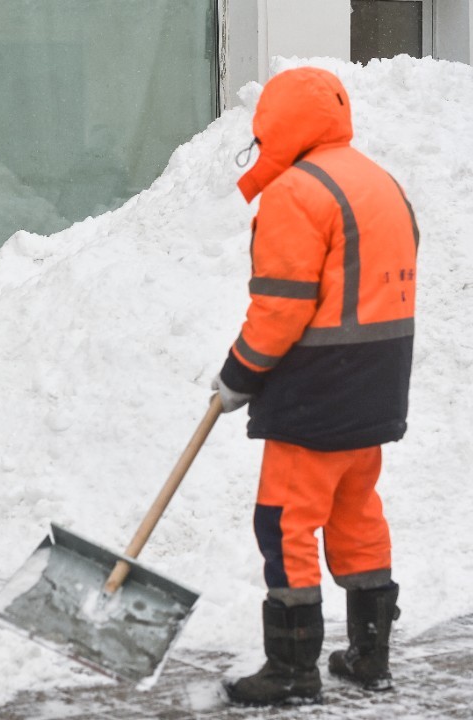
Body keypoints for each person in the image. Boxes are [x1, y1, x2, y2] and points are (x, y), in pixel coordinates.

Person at [211, 67, 418, 706]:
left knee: (285, 523)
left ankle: (293, 670)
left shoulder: (296, 192)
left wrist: (239, 374)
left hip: (316, 395)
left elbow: (281, 306)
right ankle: (368, 656)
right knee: (356, 513)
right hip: (378, 387)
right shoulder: (378, 181)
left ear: (276, 126)